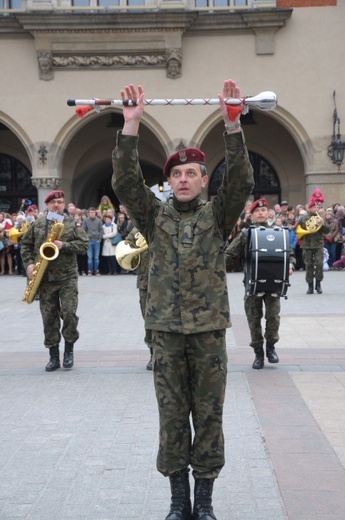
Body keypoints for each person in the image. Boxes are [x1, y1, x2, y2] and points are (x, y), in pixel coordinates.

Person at [111, 79, 254, 520]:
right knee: (172, 418)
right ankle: (178, 503)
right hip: (167, 335)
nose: (184, 178)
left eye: (192, 173)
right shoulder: (155, 216)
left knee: (209, 416)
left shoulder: (219, 213)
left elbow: (243, 180)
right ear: (168, 181)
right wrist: (130, 126)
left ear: (204, 180)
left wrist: (232, 127)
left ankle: (205, 503)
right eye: (176, 173)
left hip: (209, 333)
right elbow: (125, 182)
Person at [21, 190, 89, 372]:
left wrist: (64, 245)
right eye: (53, 202)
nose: (57, 205)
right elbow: (25, 245)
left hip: (67, 277)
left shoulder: (72, 223)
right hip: (45, 279)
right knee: (49, 317)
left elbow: (84, 245)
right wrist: (29, 265)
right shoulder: (38, 224)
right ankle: (53, 356)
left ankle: (68, 351)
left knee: (68, 313)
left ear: (64, 204)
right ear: (48, 205)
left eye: (60, 202)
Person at [224, 198, 295, 370]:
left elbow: (290, 254)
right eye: (257, 211)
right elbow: (229, 255)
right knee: (253, 319)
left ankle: (271, 347)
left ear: (268, 212)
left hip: (273, 284)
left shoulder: (279, 232)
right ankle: (258, 353)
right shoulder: (246, 234)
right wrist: (214, 265)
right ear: (252, 214)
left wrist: (291, 265)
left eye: (264, 211)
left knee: (273, 317)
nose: (261, 213)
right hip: (252, 285)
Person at [125, 226, 153, 369]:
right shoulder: (137, 229)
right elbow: (127, 246)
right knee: (147, 318)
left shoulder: (167, 223)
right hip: (145, 281)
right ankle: (153, 353)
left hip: (166, 280)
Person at [298, 198, 329, 294]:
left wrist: (323, 224)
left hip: (318, 244)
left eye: (317, 206)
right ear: (309, 208)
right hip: (307, 245)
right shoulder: (303, 218)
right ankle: (310, 285)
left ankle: (318, 284)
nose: (316, 208)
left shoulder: (321, 217)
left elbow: (327, 231)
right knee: (309, 265)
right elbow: (298, 230)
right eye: (314, 207)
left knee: (319, 264)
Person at [82, 207, 103, 275]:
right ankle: (90, 270)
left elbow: (101, 230)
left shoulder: (99, 220)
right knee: (90, 257)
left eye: (93, 212)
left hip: (96, 240)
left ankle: (96, 270)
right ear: (88, 213)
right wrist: (85, 239)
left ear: (95, 213)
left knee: (96, 257)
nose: (92, 214)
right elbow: (83, 230)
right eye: (91, 212)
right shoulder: (85, 220)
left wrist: (100, 238)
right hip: (89, 240)